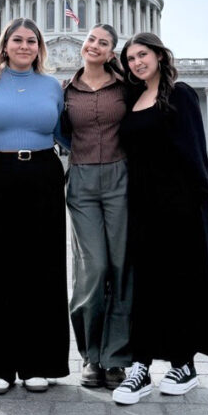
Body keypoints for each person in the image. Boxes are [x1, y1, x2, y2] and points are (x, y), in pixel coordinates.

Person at [112, 32, 208, 405]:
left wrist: (198, 202)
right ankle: (141, 366)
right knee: (145, 287)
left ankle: (183, 363)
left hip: (178, 205)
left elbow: (195, 151)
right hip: (142, 204)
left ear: (160, 56)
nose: (136, 63)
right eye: (130, 59)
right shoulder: (133, 97)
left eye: (142, 55)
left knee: (180, 284)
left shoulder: (180, 94)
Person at [0, 18, 70, 395]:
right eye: (17, 40)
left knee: (42, 269)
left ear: (40, 47)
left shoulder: (53, 87)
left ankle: (38, 362)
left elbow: (66, 136)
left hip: (42, 173)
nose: (24, 46)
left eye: (31, 40)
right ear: (4, 44)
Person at [61, 23, 130, 390]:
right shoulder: (64, 90)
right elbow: (55, 131)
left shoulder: (125, 87)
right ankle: (90, 355)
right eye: (91, 39)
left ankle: (116, 357)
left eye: (103, 43)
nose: (94, 45)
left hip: (121, 178)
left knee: (120, 267)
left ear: (111, 52)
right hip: (83, 180)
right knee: (92, 268)